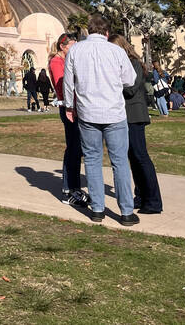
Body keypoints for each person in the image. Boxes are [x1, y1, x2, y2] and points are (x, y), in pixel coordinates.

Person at [63, 14, 138, 225]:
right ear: (107, 32)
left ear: (89, 30)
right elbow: (129, 79)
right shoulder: (116, 51)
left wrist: (70, 105)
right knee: (120, 162)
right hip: (113, 112)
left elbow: (69, 82)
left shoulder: (76, 50)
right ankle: (126, 212)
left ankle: (97, 209)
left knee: (93, 160)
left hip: (88, 112)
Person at [110, 34, 163, 214]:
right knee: (133, 158)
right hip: (124, 115)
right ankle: (140, 195)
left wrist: (111, 83)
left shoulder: (133, 63)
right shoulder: (123, 64)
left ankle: (154, 201)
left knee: (141, 157)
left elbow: (131, 89)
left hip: (135, 115)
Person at [48, 35, 89, 207]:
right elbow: (62, 85)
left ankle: (74, 187)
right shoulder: (57, 62)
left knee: (77, 148)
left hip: (76, 106)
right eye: (72, 46)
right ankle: (68, 189)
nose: (75, 50)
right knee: (73, 148)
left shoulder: (68, 60)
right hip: (68, 108)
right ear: (62, 47)